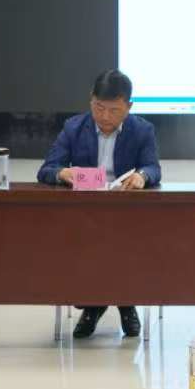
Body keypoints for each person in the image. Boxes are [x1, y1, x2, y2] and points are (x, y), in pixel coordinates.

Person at [37, 70, 163, 339]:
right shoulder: (73, 127)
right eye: (98, 107)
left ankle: (119, 303)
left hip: (126, 214)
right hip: (85, 214)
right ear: (91, 100)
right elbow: (47, 169)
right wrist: (63, 173)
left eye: (114, 110)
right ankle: (96, 303)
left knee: (122, 241)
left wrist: (142, 177)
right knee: (87, 241)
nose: (104, 116)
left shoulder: (142, 130)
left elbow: (153, 168)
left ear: (129, 106)